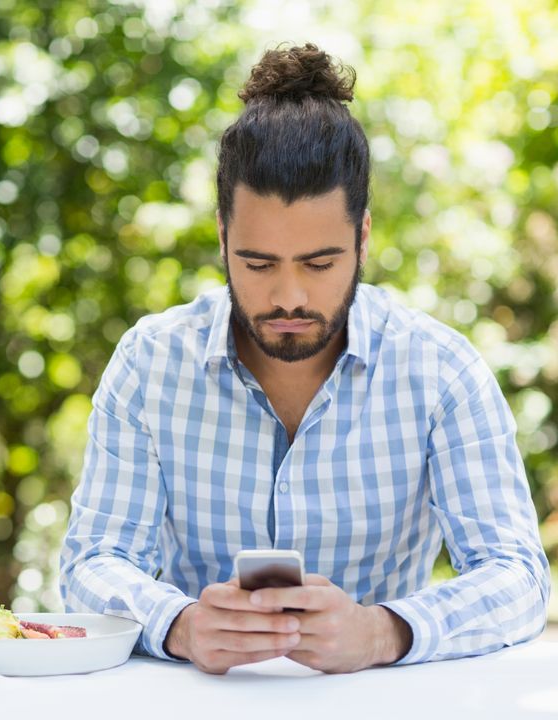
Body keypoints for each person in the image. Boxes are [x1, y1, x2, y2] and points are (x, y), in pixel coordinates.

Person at [58, 43, 551, 675]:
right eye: (258, 263)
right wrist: (180, 626)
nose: (288, 297)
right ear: (221, 235)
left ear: (363, 237)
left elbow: (518, 579)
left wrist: (383, 633)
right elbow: (92, 562)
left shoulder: (440, 371)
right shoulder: (149, 364)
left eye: (319, 264)